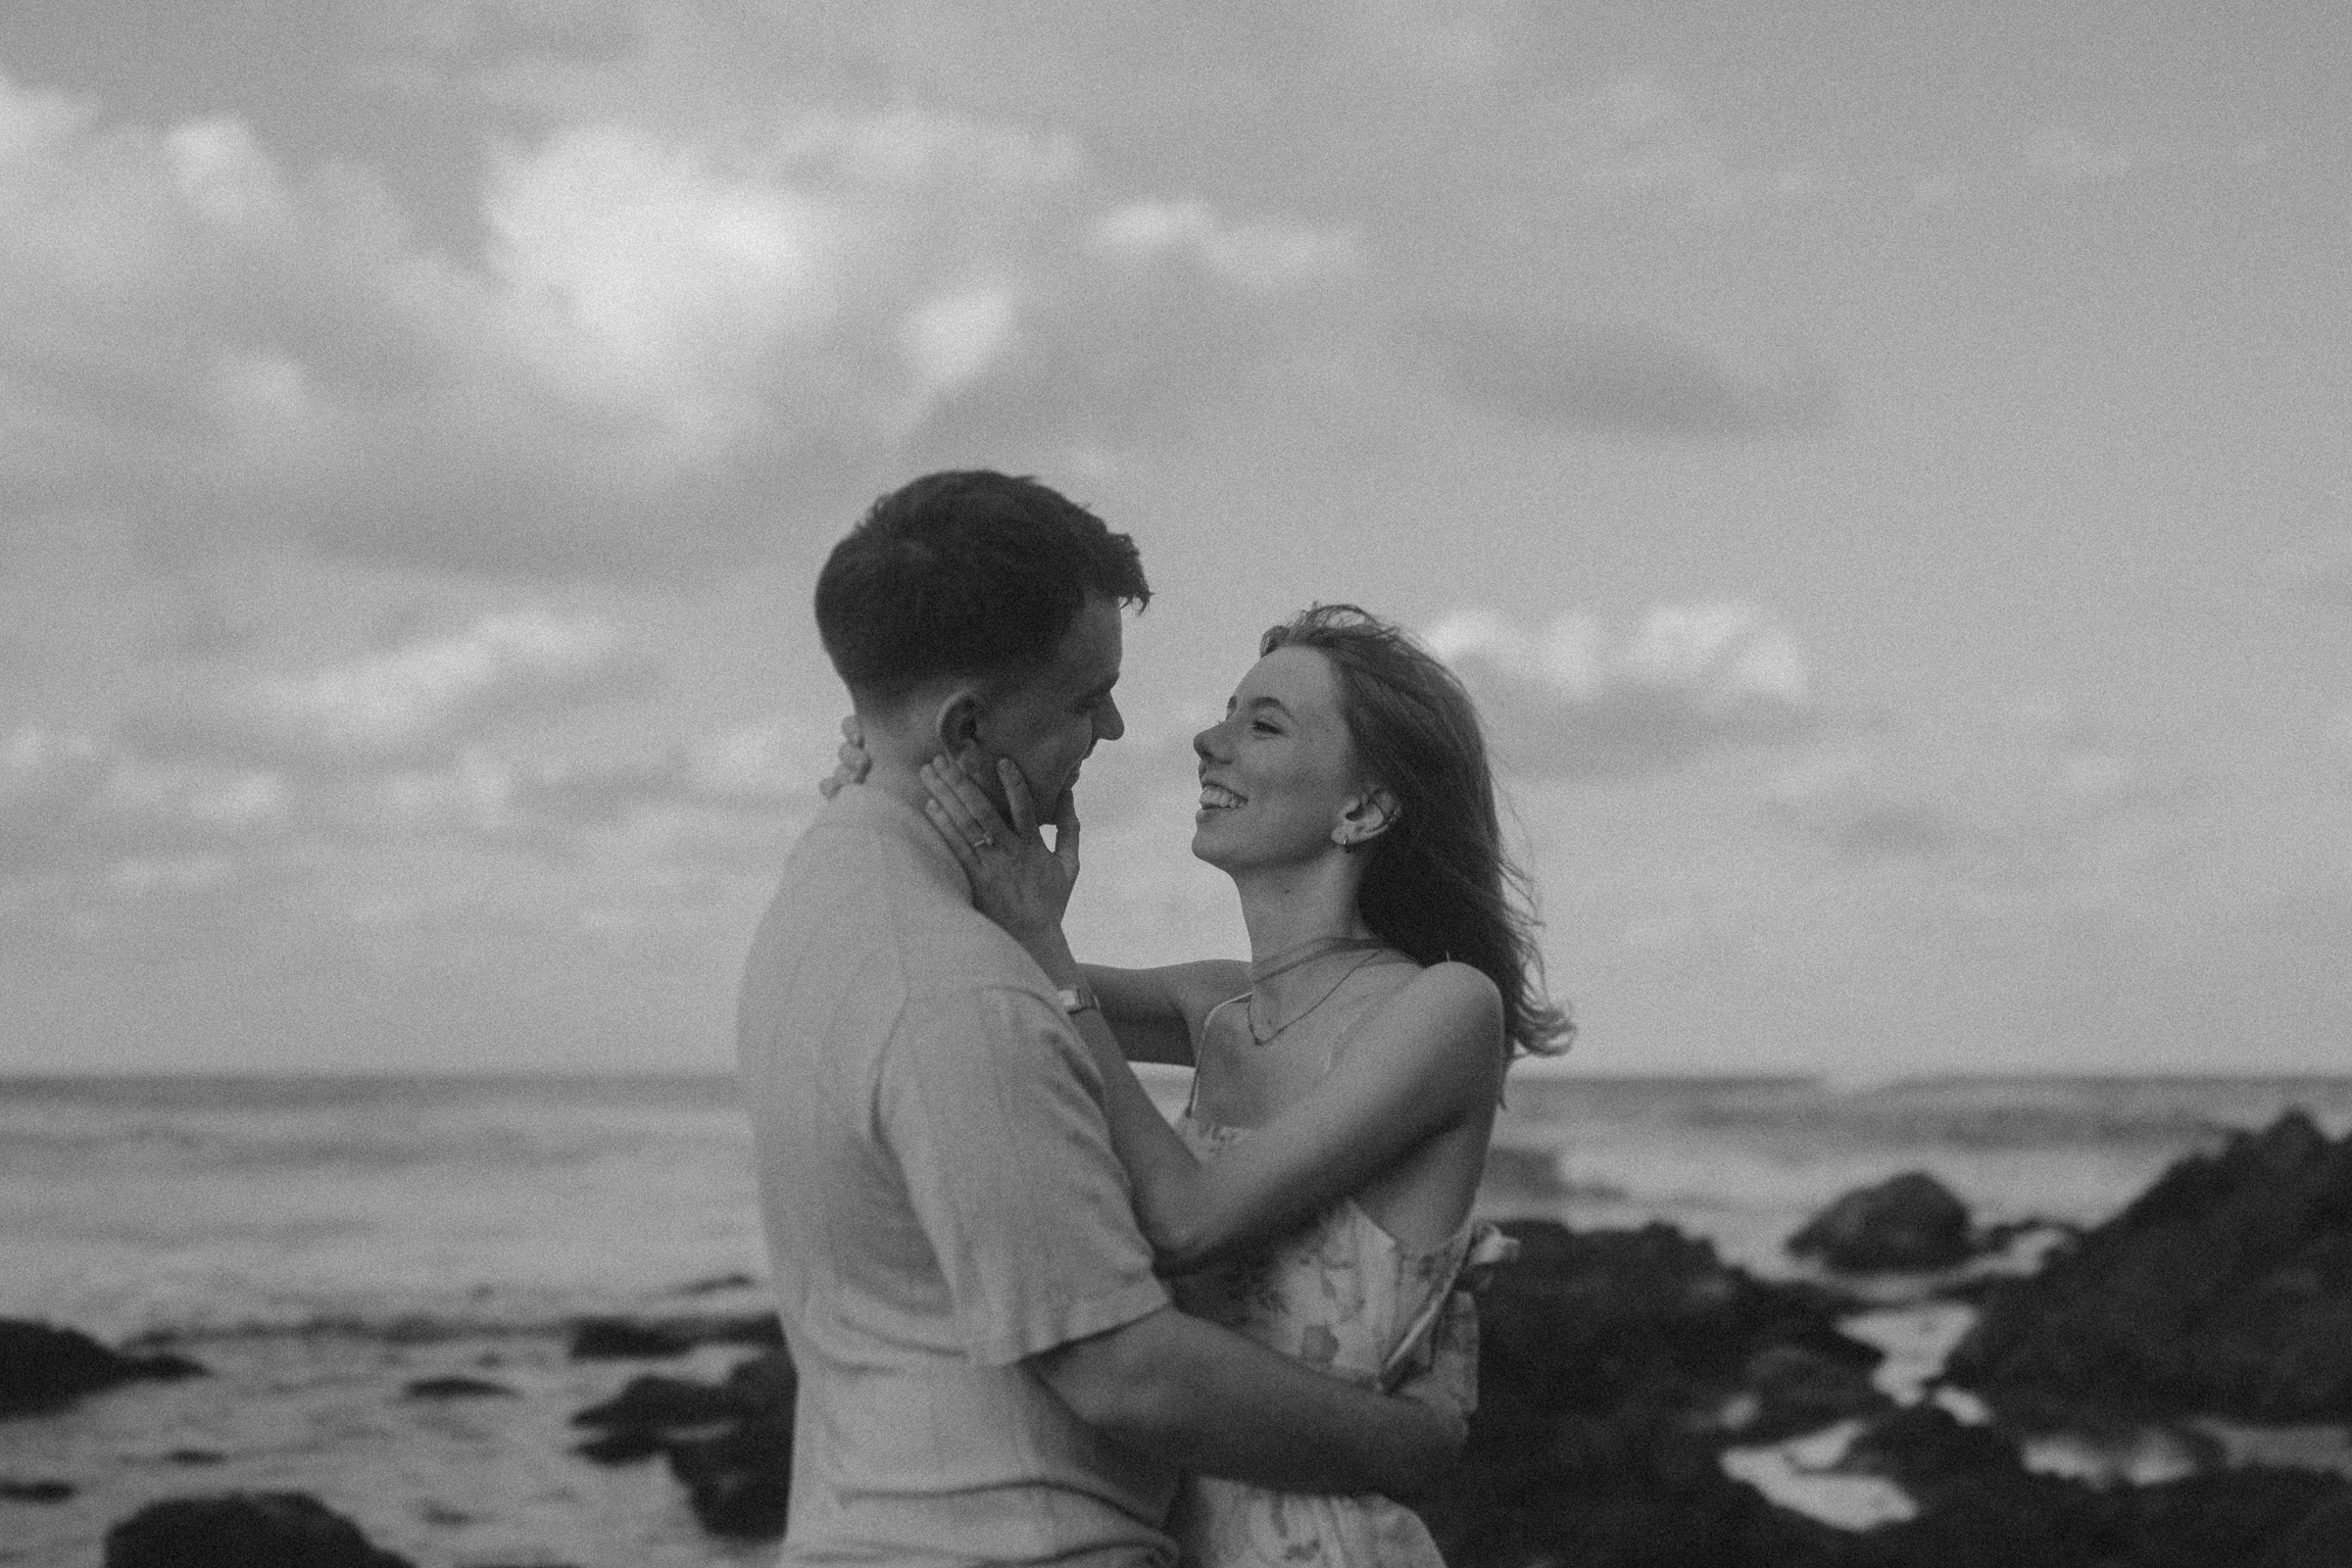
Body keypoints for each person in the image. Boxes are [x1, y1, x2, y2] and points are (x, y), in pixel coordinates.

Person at [738, 471, 1465, 1568]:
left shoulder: (827, 903)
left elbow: (1055, 994)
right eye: (1087, 699)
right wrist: (1411, 1447)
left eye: (1261, 724)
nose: (1138, 732)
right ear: (968, 725)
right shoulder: (961, 990)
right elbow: (1126, 1366)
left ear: (1366, 804)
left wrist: (888, 773)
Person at [865, 602, 1573, 1565]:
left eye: (1263, 723)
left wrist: (1049, 947)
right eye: (1229, 714)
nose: (1208, 740)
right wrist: (902, 774)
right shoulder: (1220, 1007)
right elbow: (988, 962)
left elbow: (1191, 1217)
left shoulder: (1445, 1008)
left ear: (1363, 808)